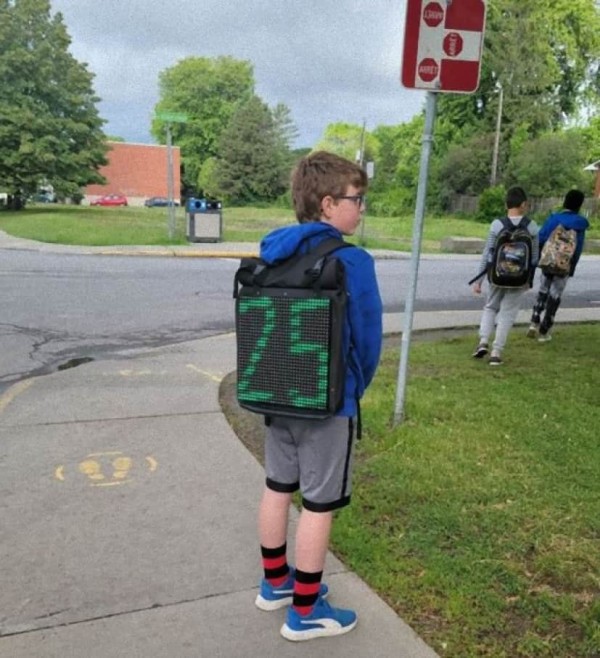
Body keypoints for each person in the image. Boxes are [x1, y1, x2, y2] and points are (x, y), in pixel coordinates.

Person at [253, 151, 383, 641]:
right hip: (328, 403)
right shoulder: (351, 261)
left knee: (277, 487)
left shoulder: (273, 252)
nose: (362, 208)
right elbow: (367, 339)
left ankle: (275, 585)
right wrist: (356, 387)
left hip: (275, 392)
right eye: (357, 199)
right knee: (319, 504)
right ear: (329, 204)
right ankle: (305, 614)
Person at [471, 186, 539, 366]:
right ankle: (496, 352)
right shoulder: (532, 227)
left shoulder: (497, 225)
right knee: (507, 314)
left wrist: (479, 280)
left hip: (497, 276)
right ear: (524, 204)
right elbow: (533, 257)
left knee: (490, 307)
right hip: (519, 279)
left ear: (505, 204)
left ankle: (483, 342)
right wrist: (529, 280)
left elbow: (488, 254)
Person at [527, 189, 589, 342]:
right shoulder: (580, 224)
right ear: (579, 205)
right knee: (555, 294)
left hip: (549, 260)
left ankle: (534, 320)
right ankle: (544, 330)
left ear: (565, 201)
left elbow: (541, 237)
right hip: (564, 264)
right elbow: (578, 248)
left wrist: (539, 258)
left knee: (544, 289)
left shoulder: (554, 218)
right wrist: (572, 267)